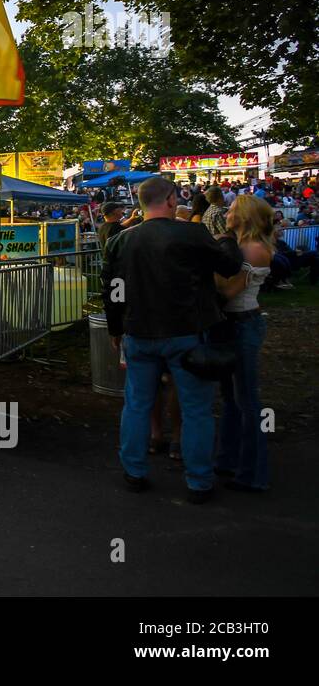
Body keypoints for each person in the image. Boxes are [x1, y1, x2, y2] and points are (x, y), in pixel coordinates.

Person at [102, 176, 243, 502]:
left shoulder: (121, 241)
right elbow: (231, 265)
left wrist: (114, 328)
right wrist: (226, 239)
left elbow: (111, 291)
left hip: (138, 332)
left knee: (136, 405)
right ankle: (198, 481)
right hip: (185, 333)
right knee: (196, 409)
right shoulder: (191, 233)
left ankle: (134, 471)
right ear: (169, 200)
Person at [213, 194, 273, 493]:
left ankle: (253, 472)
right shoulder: (238, 246)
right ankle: (228, 459)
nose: (228, 211)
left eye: (234, 208)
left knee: (247, 400)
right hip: (231, 325)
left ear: (246, 215)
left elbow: (228, 292)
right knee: (231, 398)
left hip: (244, 323)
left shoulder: (254, 250)